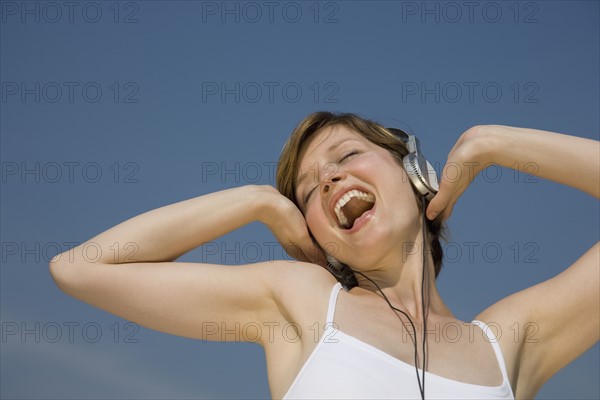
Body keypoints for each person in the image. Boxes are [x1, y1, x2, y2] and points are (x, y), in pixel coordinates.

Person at [49, 112, 599, 399]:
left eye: (348, 155)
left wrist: (492, 143)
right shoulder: (303, 302)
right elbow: (80, 267)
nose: (331, 176)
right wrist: (257, 202)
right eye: (310, 191)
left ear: (416, 175)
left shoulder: (507, 346)